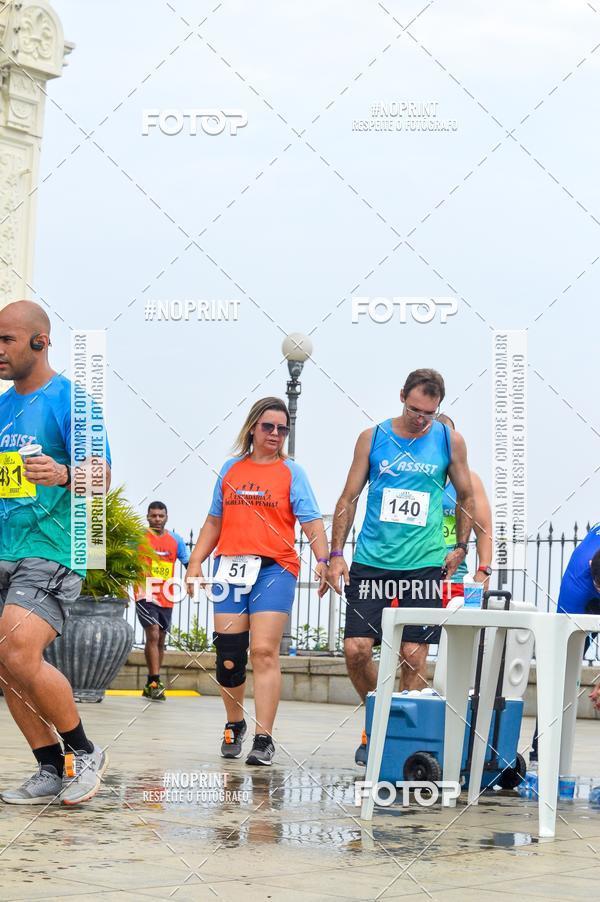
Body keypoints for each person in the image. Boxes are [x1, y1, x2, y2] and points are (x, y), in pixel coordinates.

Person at [328, 369, 475, 765]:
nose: (420, 419)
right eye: (414, 409)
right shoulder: (372, 437)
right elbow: (349, 496)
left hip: (423, 564)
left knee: (412, 655)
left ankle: (401, 741)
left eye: (429, 412)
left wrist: (461, 546)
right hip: (372, 560)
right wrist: (336, 553)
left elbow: (465, 494)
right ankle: (379, 719)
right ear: (401, 398)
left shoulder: (449, 440)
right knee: (356, 650)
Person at [0, 300, 111, 805]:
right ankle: (50, 765)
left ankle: (84, 751)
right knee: (6, 662)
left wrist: (65, 474)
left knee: (18, 649)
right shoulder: (3, 406)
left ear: (40, 342)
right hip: (5, 545)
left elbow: (102, 476)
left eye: (7, 340)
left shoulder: (73, 400)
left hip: (52, 547)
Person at [186, 397, 328, 765]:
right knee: (229, 656)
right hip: (231, 568)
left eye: (283, 429)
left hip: (275, 568)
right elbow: (213, 521)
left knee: (264, 651)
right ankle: (235, 724)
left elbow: (312, 522)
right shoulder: (231, 469)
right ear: (253, 427)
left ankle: (264, 738)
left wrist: (325, 559)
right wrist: (195, 561)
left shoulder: (292, 473)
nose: (276, 434)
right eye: (269, 427)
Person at [134, 501, 190, 700]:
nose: (157, 519)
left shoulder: (176, 540)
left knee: (161, 639)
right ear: (147, 517)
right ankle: (156, 681)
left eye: (161, 516)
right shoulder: (138, 537)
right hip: (144, 592)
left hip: (166, 594)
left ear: (167, 517)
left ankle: (151, 681)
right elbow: (123, 559)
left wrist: (195, 581)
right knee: (153, 634)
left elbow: (189, 562)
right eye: (153, 516)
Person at [437, 414, 493, 603]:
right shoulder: (413, 477)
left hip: (456, 580)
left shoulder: (469, 480)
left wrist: (484, 570)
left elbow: (484, 529)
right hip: (416, 578)